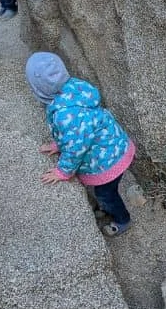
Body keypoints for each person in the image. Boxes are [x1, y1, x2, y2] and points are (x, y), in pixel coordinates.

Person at [25, 52, 136, 236]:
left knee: (106, 194)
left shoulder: (65, 114)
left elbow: (76, 147)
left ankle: (122, 220)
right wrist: (58, 144)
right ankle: (107, 207)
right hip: (114, 143)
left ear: (39, 89)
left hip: (108, 160)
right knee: (106, 193)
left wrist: (63, 171)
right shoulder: (74, 87)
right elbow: (75, 133)